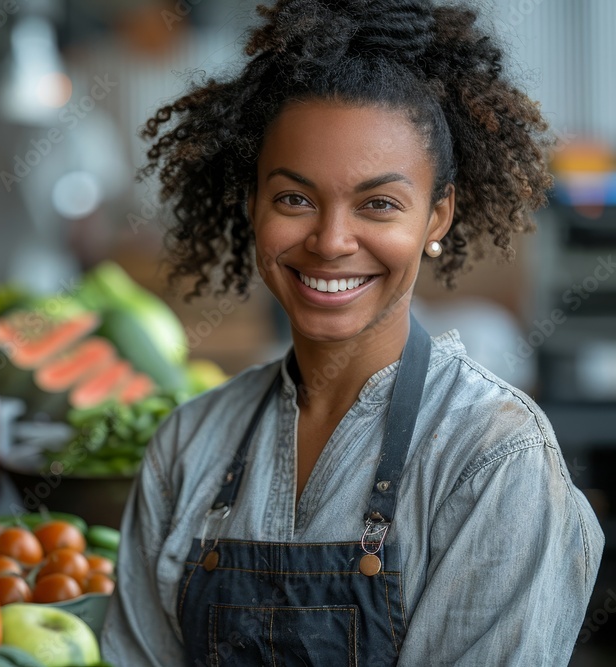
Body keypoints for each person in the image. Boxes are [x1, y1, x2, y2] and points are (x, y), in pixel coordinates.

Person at [100, 0, 605, 664]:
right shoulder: (187, 446)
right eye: (294, 199)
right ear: (252, 204)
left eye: (379, 204)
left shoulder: (494, 459)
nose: (332, 241)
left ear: (437, 217)